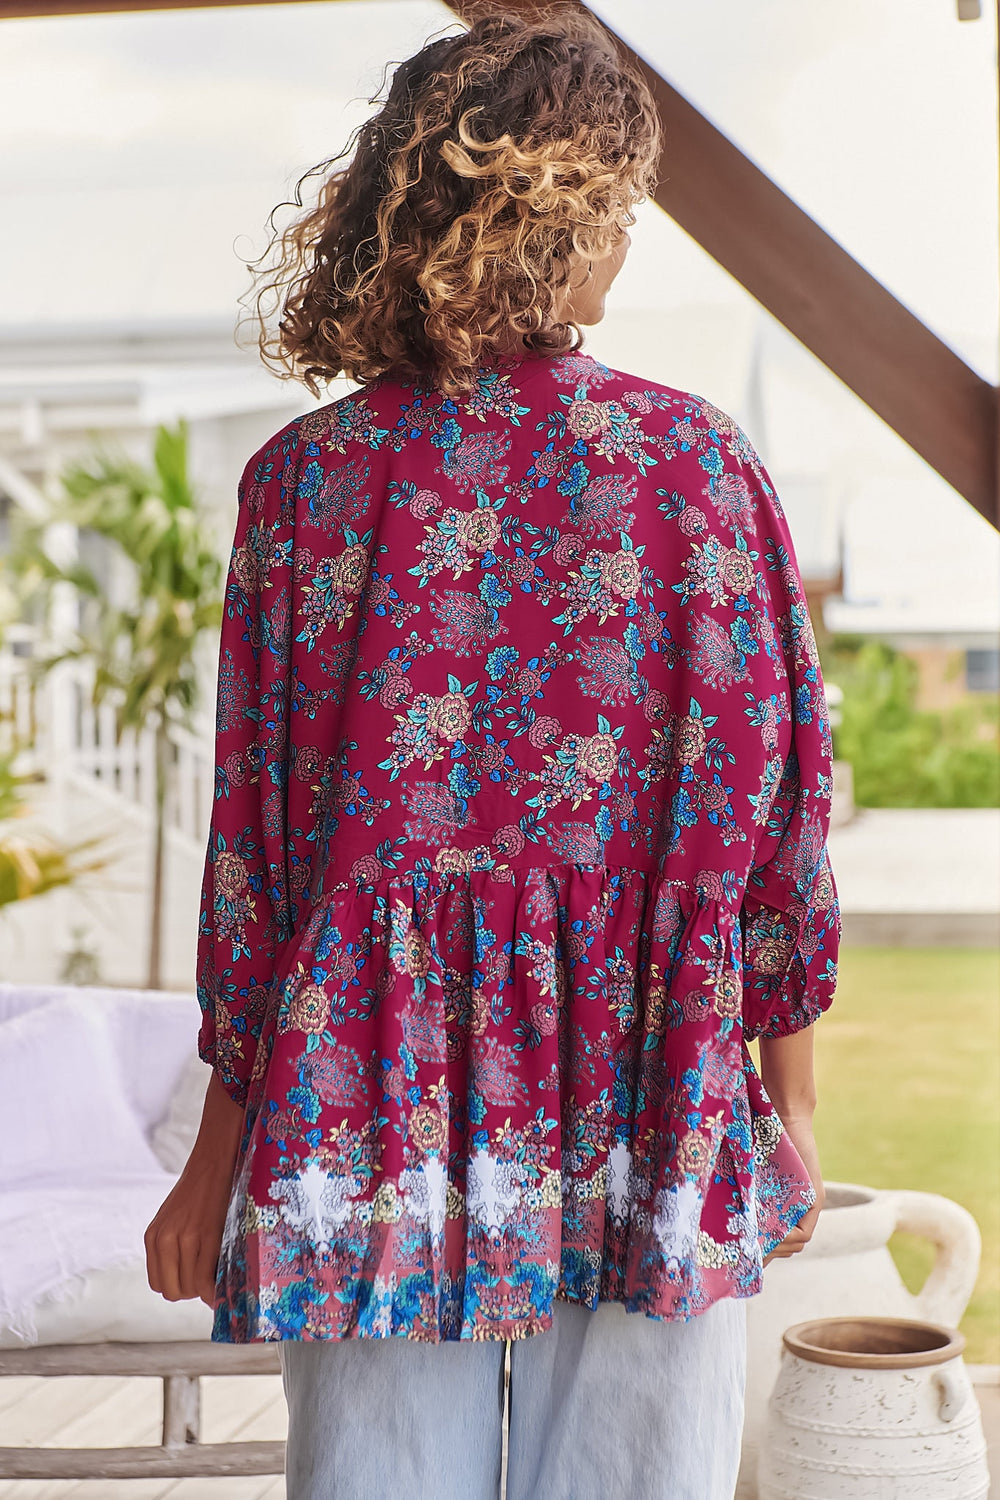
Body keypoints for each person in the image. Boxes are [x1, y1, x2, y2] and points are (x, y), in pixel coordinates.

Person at [145, 9, 841, 1497]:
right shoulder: (698, 468)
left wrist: (221, 1156)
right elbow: (779, 828)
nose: (630, 244)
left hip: (370, 1101)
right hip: (653, 1092)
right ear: (564, 219)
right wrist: (787, 1113)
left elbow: (257, 867)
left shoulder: (304, 485)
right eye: (624, 210)